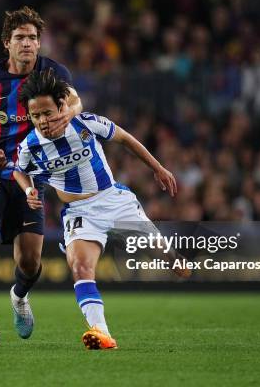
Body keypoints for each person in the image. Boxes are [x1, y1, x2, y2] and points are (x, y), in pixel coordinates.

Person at [14, 68, 181, 349]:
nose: (42, 121)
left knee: (167, 258)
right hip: (79, 214)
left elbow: (125, 138)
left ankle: (185, 264)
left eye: (47, 113)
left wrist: (158, 168)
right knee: (80, 267)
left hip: (113, 201)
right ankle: (102, 333)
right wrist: (29, 189)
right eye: (36, 116)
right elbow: (20, 170)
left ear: (61, 107)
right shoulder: (30, 146)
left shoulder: (84, 124)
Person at [0, 6, 82, 347]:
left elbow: (75, 101)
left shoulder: (53, 72)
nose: (28, 43)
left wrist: (67, 115)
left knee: (29, 262)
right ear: (7, 43)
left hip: (31, 176)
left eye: (33, 37)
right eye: (20, 38)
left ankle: (19, 297)